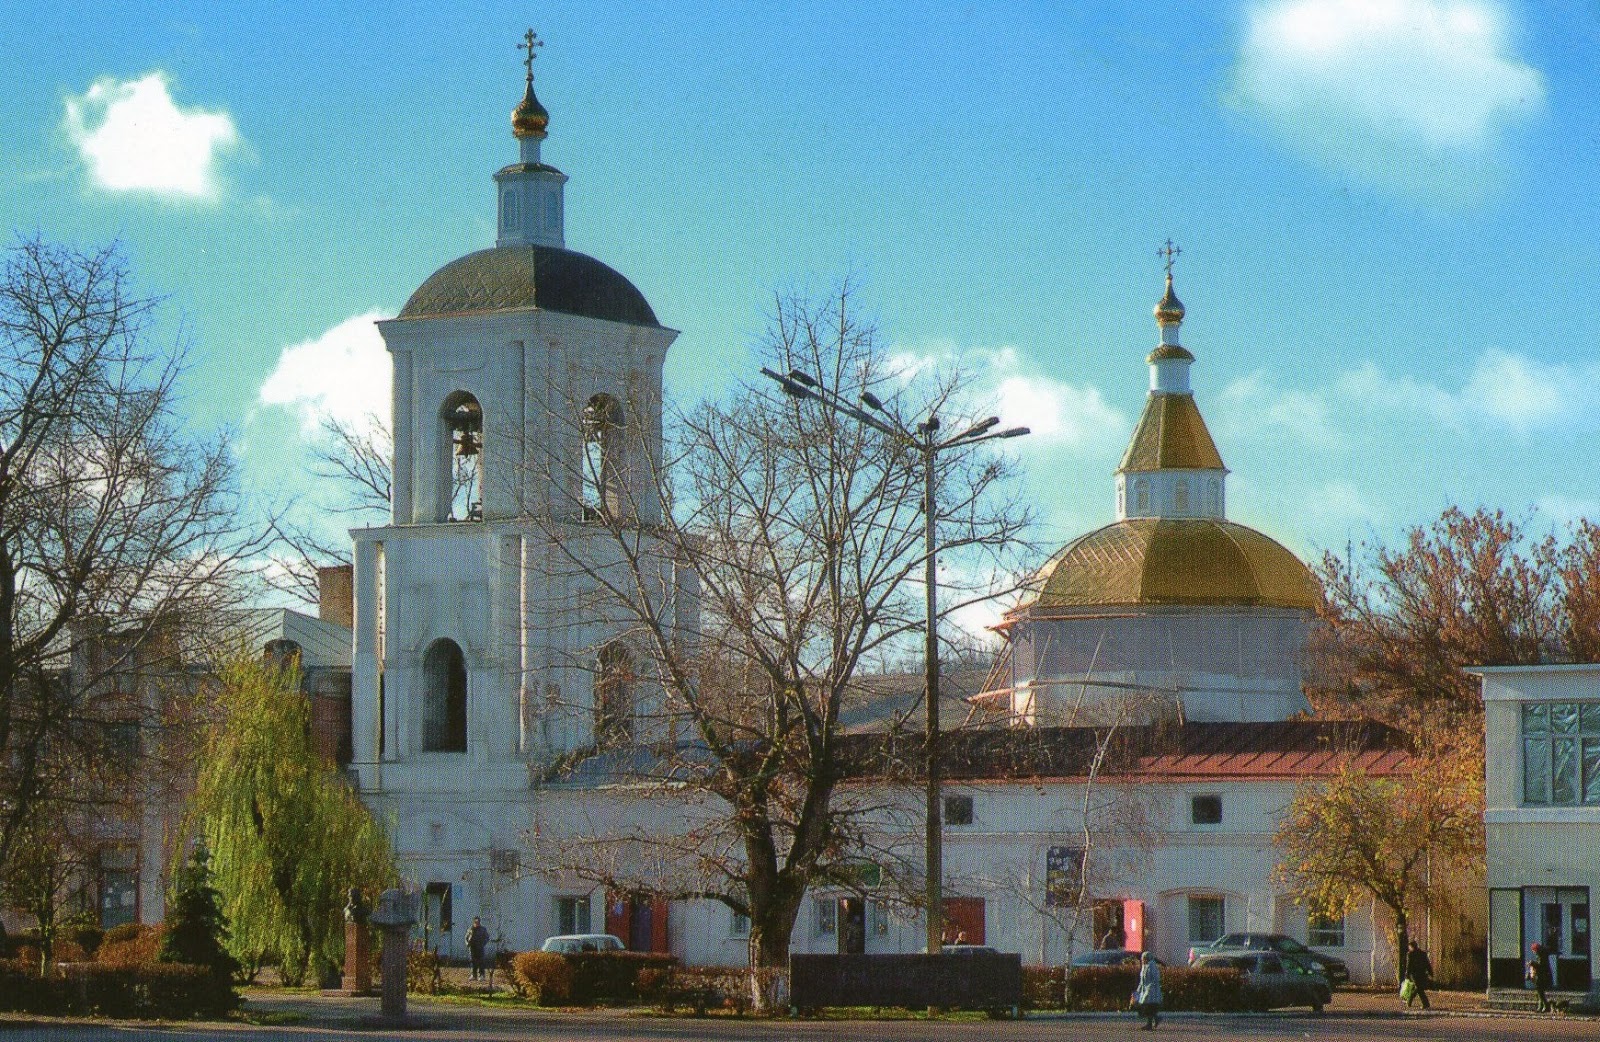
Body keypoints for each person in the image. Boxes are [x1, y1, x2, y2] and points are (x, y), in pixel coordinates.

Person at [1132, 950, 1162, 1030]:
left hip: (1152, 991)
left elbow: (1155, 979)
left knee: (1148, 1007)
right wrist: (1138, 991)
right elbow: (1142, 981)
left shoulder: (1152, 966)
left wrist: (1149, 989)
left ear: (1146, 958)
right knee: (1147, 1007)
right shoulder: (1144, 967)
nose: (1142, 960)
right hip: (1145, 991)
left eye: (1143, 958)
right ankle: (1155, 1019)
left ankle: (1150, 1023)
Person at [1404, 941, 1433, 1010]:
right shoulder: (1423, 954)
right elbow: (1427, 964)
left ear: (1411, 947)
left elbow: (1409, 965)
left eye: (1409, 947)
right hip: (1422, 973)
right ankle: (1412, 1001)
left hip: (1414, 974)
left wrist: (1407, 974)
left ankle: (1425, 1004)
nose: (1409, 948)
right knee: (1419, 988)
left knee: (1418, 989)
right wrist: (1430, 972)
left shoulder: (1410, 954)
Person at [1529, 942, 1553, 1012]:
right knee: (1540, 992)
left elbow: (1540, 966)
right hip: (1543, 976)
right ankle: (1541, 1007)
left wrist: (1532, 963)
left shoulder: (1541, 956)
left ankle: (1545, 1006)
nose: (1533, 952)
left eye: (1533, 950)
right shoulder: (1543, 955)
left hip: (1541, 977)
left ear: (1536, 950)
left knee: (1540, 992)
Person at [466, 916, 490, 981]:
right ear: (473, 922)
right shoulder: (470, 929)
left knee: (481, 962)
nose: (476, 923)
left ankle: (481, 975)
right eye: (475, 922)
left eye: (478, 922)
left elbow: (487, 938)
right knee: (473, 962)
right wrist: (467, 944)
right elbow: (466, 937)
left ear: (479, 922)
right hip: (472, 948)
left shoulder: (483, 929)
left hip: (480, 948)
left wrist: (483, 944)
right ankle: (473, 975)